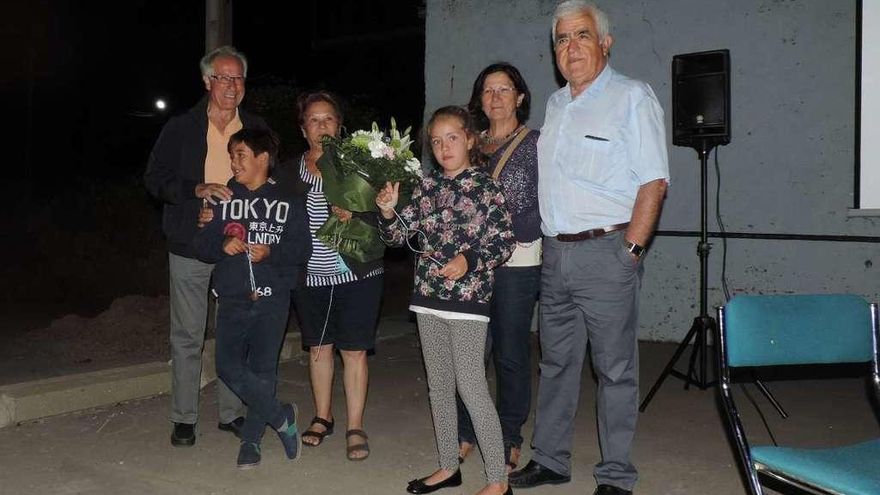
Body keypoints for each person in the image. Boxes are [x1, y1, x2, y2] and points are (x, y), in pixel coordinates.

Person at [508, 2, 670, 495]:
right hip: (556, 254)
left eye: (581, 36)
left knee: (615, 370)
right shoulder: (556, 105)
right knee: (556, 364)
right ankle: (551, 460)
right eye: (561, 39)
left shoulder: (631, 96)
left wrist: (631, 253)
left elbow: (654, 181)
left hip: (608, 252)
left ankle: (617, 476)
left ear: (605, 43)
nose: (570, 47)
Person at [377, 106, 515, 495]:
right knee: (438, 385)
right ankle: (447, 466)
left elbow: (504, 242)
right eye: (436, 141)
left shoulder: (487, 188)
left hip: (469, 300)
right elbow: (400, 238)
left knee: (471, 385)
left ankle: (498, 481)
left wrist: (467, 260)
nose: (443, 147)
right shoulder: (426, 187)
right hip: (427, 299)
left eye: (451, 137)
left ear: (470, 139)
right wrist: (388, 213)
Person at [145, 45, 269, 446]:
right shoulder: (181, 127)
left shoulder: (255, 129)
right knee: (187, 334)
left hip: (238, 243)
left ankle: (232, 413)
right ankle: (184, 417)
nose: (231, 86)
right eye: (222, 77)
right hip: (189, 244)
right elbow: (154, 178)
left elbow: (269, 185)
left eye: (237, 78)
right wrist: (194, 191)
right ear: (206, 81)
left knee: (235, 331)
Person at [273, 91, 382, 461]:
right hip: (311, 275)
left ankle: (355, 425)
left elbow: (387, 214)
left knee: (353, 350)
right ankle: (323, 415)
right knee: (319, 348)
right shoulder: (287, 172)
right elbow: (270, 215)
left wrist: (358, 209)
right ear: (303, 128)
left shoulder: (361, 163)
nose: (322, 126)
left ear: (340, 125)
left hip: (357, 274)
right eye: (314, 120)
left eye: (329, 119)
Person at [192, 128, 311, 468]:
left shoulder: (289, 202)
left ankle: (251, 441)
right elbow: (201, 246)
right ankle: (281, 416)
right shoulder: (222, 199)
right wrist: (220, 244)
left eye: (240, 154)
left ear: (262, 158)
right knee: (227, 366)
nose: (233, 161)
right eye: (232, 155)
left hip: (273, 299)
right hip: (232, 297)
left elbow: (302, 249)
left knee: (263, 371)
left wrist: (271, 252)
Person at [456, 62, 541, 474]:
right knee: (470, 352)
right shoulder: (469, 146)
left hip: (517, 262)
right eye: (488, 90)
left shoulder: (535, 144)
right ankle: (466, 431)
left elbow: (544, 204)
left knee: (509, 352)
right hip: (469, 265)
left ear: (519, 97)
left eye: (504, 90)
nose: (495, 98)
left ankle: (508, 435)